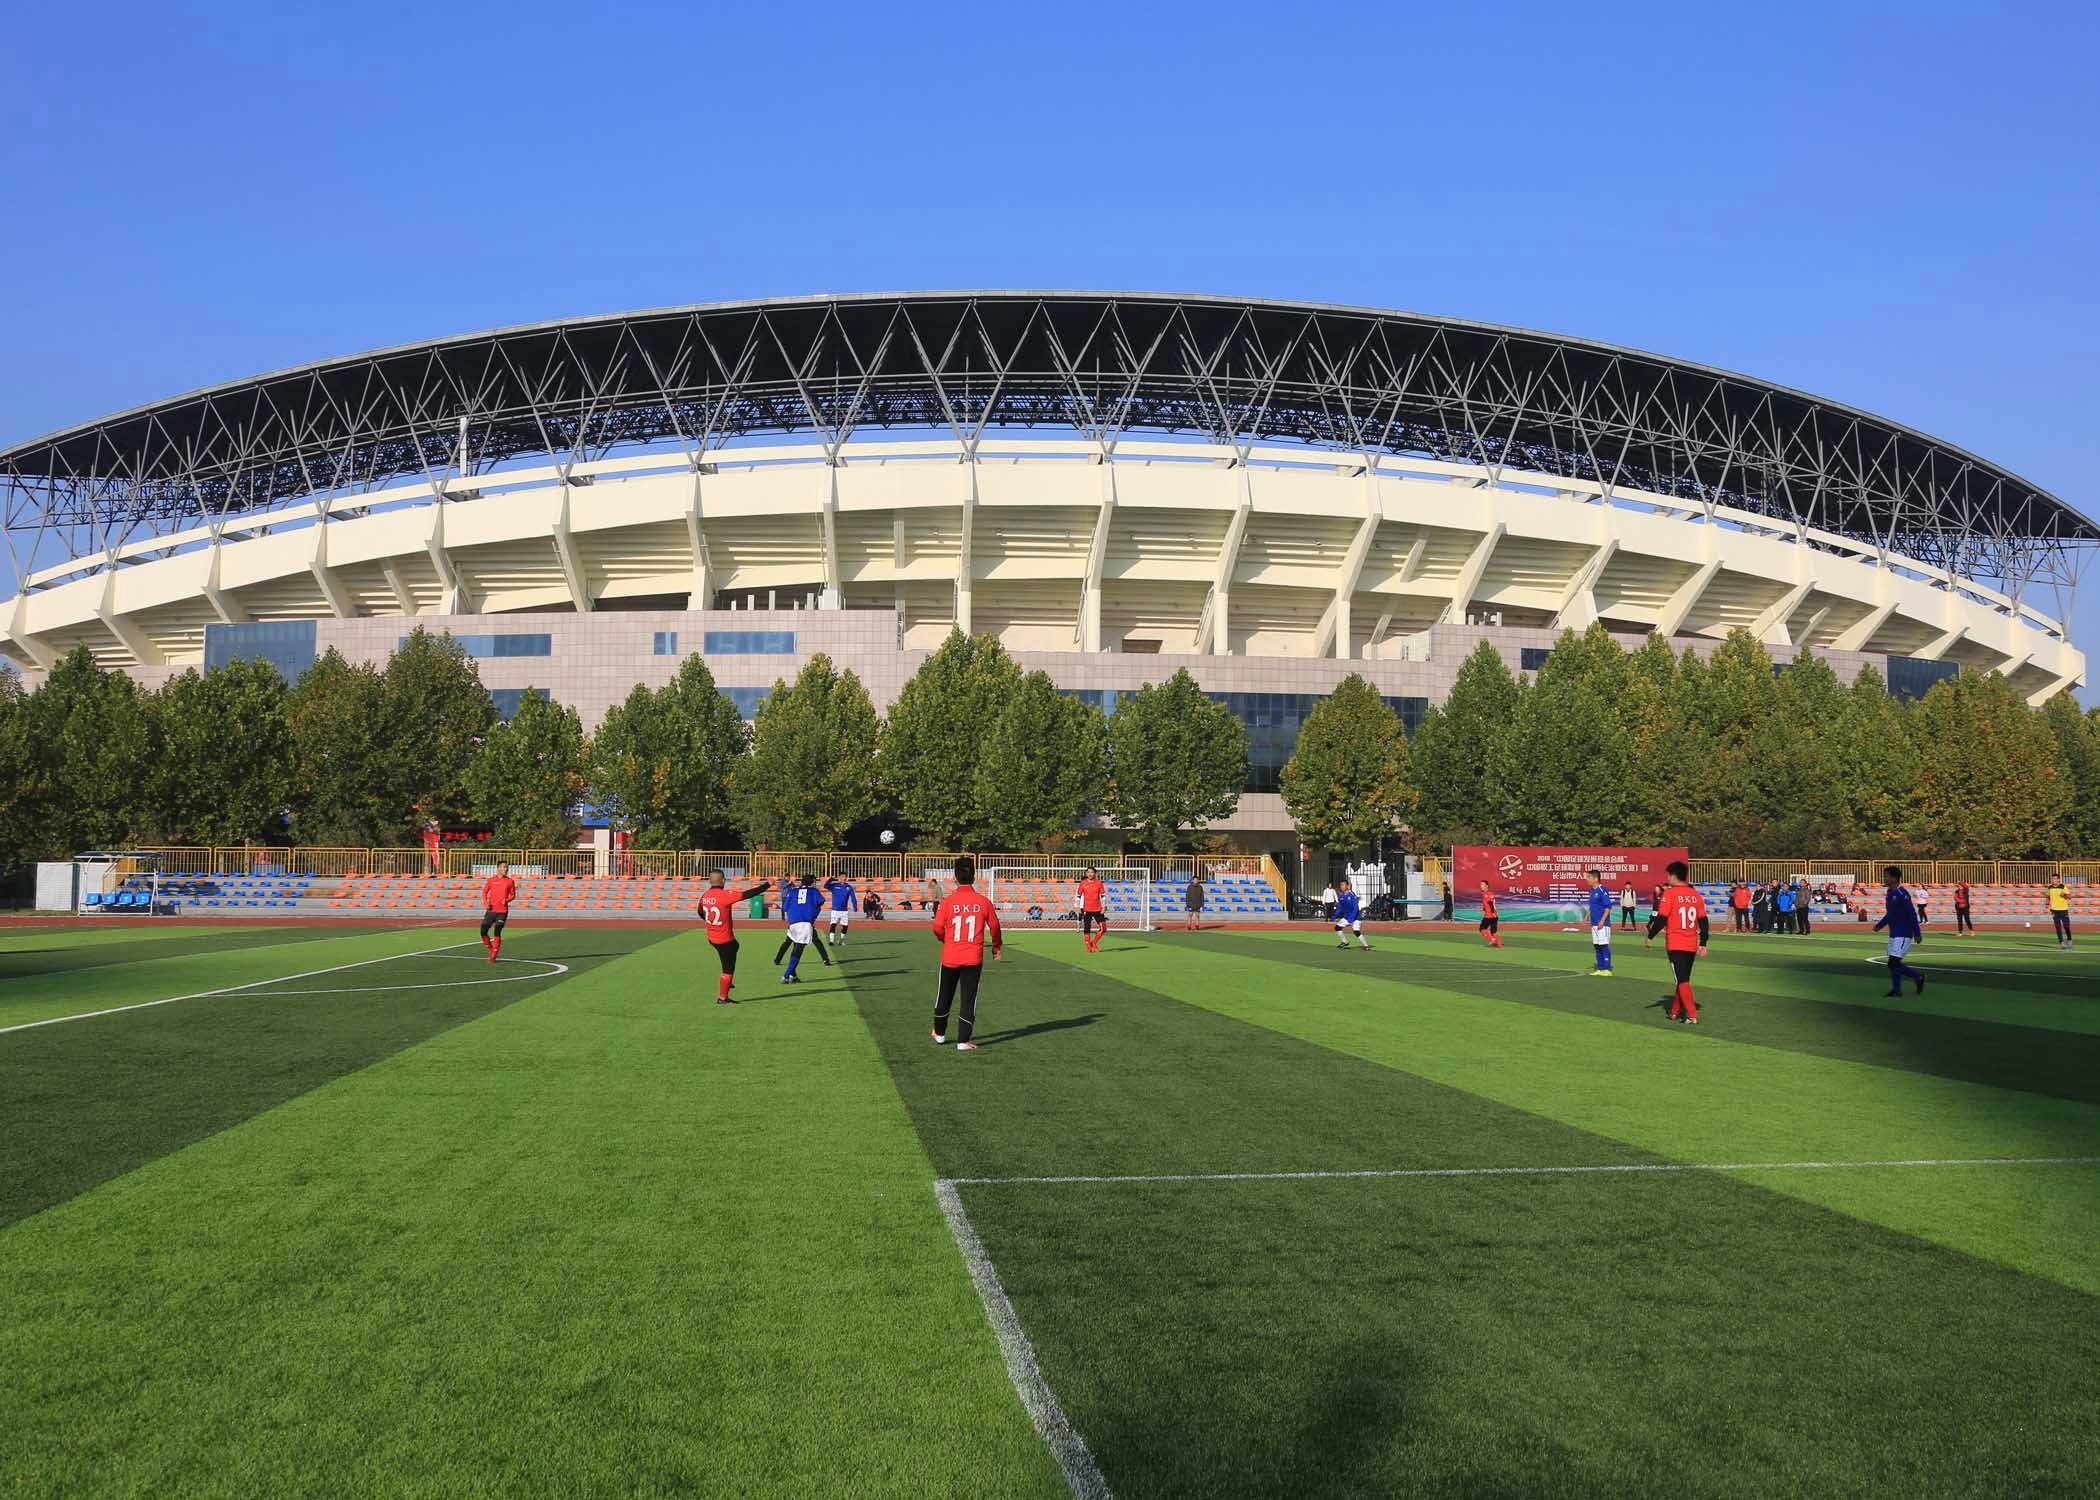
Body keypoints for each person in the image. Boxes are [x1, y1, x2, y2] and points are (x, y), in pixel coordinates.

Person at [932, 856, 1002, 1050]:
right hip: (973, 958)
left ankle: (939, 1033)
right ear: (974, 876)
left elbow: (937, 927)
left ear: (955, 877)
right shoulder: (983, 902)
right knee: (968, 998)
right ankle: (963, 1041)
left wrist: (944, 939)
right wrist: (996, 947)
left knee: (944, 994)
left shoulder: (948, 902)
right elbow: (995, 927)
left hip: (950, 956)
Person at [1645, 860, 1709, 1024]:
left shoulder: (1670, 894)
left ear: (1673, 876)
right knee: (1683, 979)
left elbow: (1661, 919)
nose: (1667, 878)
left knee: (1682, 980)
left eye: (1668, 875)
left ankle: (1691, 1015)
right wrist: (1703, 942)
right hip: (1691, 943)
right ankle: (1674, 1011)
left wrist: (1650, 936)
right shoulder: (1695, 895)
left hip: (1676, 944)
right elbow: (1703, 921)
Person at [697, 870, 772, 1003]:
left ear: (710, 881)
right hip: (724, 939)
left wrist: (710, 922)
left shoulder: (705, 896)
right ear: (723, 881)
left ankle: (727, 980)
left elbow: (700, 912)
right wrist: (767, 885)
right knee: (728, 966)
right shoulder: (725, 895)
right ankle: (723, 997)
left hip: (712, 937)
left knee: (734, 947)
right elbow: (748, 894)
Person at [1874, 865, 1927, 996]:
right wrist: (1879, 925)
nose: (1884, 878)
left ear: (1893, 878)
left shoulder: (1902, 894)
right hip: (1894, 933)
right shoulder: (1889, 893)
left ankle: (1914, 978)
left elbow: (1912, 914)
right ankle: (1906, 984)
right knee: (1892, 964)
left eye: (1886, 876)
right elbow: (1890, 914)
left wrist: (1917, 933)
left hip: (1903, 933)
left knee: (1894, 962)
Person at [774, 873, 833, 983]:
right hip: (805, 923)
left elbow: (785, 908)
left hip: (793, 923)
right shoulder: (814, 891)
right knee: (798, 950)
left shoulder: (793, 891)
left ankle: (793, 975)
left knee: (794, 945)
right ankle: (786, 975)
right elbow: (821, 901)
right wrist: (814, 913)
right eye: (815, 882)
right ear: (812, 882)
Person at [479, 860, 518, 964]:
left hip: (502, 911)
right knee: (483, 932)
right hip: (491, 910)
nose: (506, 869)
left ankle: (493, 956)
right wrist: (485, 902)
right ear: (499, 868)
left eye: (507, 867)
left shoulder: (510, 881)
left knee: (497, 931)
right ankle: (491, 949)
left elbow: (513, 895)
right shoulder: (491, 880)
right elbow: (484, 892)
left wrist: (507, 900)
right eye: (504, 867)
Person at [1586, 868, 1614, 976]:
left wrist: (1602, 921)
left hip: (1603, 924)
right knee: (1596, 945)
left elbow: (1608, 907)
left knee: (1603, 945)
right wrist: (1586, 917)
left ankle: (1607, 969)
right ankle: (1600, 968)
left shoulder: (1602, 890)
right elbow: (1592, 906)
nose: (1587, 879)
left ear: (1595, 878)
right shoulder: (1592, 891)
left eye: (1589, 877)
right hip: (1594, 923)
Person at [1075, 866, 1108, 954]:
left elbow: (1103, 896)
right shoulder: (1082, 883)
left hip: (1098, 909)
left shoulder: (1099, 883)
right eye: (1088, 872)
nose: (1090, 874)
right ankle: (1088, 946)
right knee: (1087, 928)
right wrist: (1077, 906)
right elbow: (1078, 896)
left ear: (1095, 873)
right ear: (1086, 873)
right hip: (1086, 909)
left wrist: (1104, 906)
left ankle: (1094, 943)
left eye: (1092, 872)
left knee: (1103, 929)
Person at [822, 874, 860, 947]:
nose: (844, 878)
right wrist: (830, 879)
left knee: (845, 926)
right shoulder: (834, 886)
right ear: (839, 877)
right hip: (835, 910)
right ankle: (831, 941)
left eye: (845, 877)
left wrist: (855, 906)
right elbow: (825, 886)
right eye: (842, 877)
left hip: (844, 911)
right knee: (833, 924)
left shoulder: (849, 887)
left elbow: (853, 897)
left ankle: (841, 940)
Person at [1333, 877, 1369, 950]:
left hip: (1355, 917)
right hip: (1347, 917)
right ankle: (1345, 942)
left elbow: (1356, 908)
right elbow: (1340, 908)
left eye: (1343, 885)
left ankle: (1365, 946)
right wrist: (1335, 915)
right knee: (1337, 928)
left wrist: (1351, 918)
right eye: (1341, 885)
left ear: (1347, 886)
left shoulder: (1352, 895)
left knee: (1356, 931)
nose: (1342, 886)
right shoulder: (1341, 896)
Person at [2046, 876, 2073, 948]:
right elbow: (2048, 897)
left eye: (2054, 879)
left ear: (2058, 879)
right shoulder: (2050, 887)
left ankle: (2069, 939)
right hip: (2054, 910)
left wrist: (2064, 895)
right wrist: (2047, 905)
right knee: (2058, 927)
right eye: (2052, 879)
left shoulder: (2063, 886)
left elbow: (2069, 897)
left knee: (2066, 926)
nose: (2053, 880)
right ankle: (2061, 942)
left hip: (2063, 909)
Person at [1478, 881, 1503, 949]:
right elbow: (1488, 905)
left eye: (1482, 884)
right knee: (1493, 931)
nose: (1481, 886)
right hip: (1494, 915)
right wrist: (1483, 909)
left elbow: (1491, 904)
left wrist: (1492, 913)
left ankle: (1492, 939)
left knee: (1482, 929)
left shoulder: (1488, 894)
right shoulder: (1487, 894)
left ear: (1487, 886)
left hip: (1489, 916)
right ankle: (1499, 944)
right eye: (1481, 884)